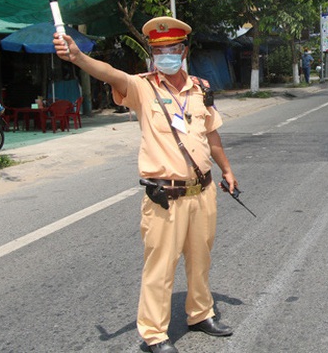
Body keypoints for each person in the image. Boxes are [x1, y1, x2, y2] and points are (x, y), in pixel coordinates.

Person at [53, 17, 237, 353]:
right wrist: (78, 58)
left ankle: (200, 313)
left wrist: (226, 170)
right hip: (165, 196)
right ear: (152, 53)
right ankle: (154, 334)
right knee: (160, 267)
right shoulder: (143, 87)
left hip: (203, 191)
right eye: (158, 50)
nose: (165, 54)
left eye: (172, 49)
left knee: (201, 260)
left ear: (184, 50)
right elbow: (111, 73)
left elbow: (211, 133)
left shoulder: (201, 88)